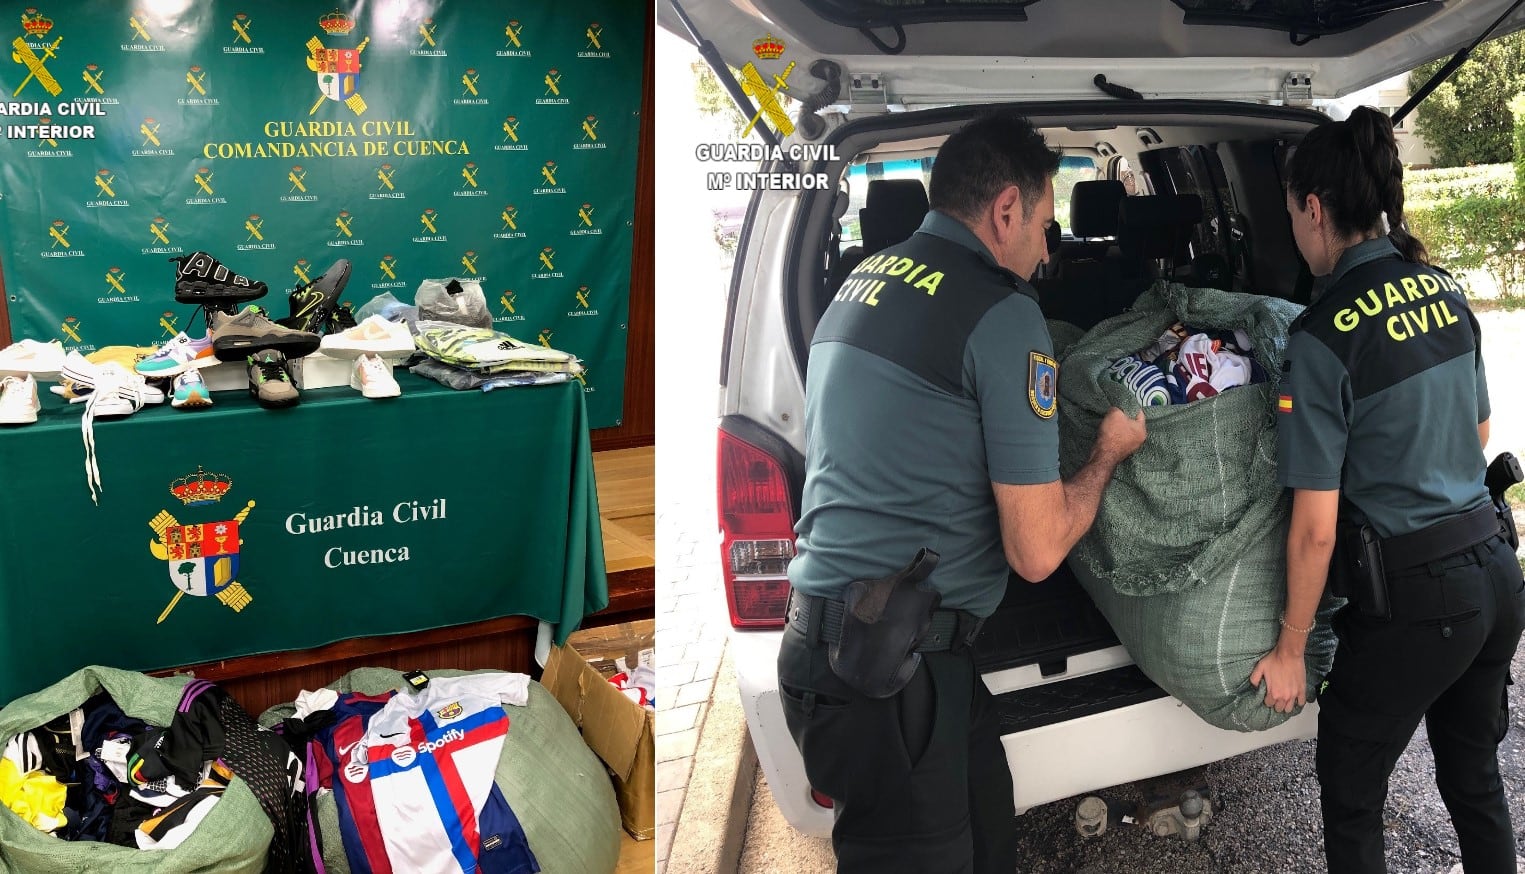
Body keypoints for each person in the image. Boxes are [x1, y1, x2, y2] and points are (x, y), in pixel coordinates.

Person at [777, 110, 1147, 873]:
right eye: (1045, 223)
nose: (1050, 248)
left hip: (862, 653)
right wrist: (1107, 453)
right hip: (884, 671)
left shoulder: (861, 278)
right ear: (1005, 208)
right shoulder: (1002, 313)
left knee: (988, 836)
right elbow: (1037, 551)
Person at [1250, 105, 1524, 874]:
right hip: (1496, 578)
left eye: (1291, 217)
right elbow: (1473, 438)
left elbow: (1313, 527)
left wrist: (1290, 649)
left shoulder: (1321, 336)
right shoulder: (1442, 291)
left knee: (1350, 789)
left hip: (1418, 601)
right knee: (1473, 782)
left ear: (1312, 209)